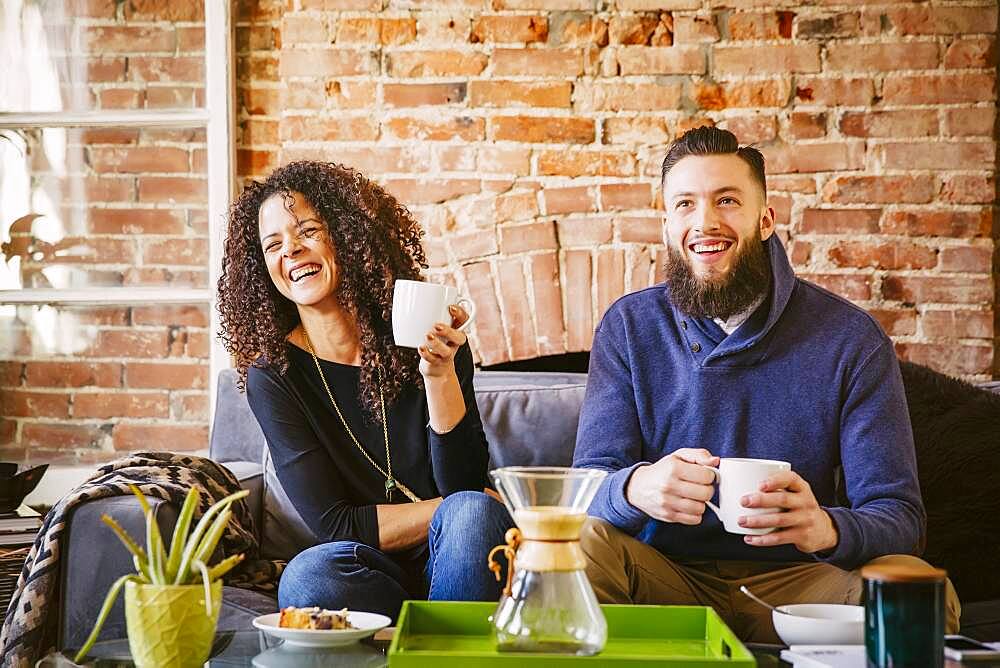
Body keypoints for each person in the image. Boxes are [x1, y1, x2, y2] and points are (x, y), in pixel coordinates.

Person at [572, 127, 960, 642]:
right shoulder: (628, 327)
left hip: (800, 583)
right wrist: (633, 487)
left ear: (765, 220)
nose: (704, 222)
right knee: (575, 542)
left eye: (726, 200)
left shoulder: (849, 338)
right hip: (661, 574)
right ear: (666, 224)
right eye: (684, 204)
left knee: (919, 589)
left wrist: (825, 527)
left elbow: (900, 516)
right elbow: (582, 490)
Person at [217, 160, 511, 620]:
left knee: (472, 516)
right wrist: (459, 506)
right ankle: (435, 634)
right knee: (307, 576)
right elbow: (335, 525)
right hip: (365, 571)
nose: (290, 250)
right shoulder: (273, 374)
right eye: (273, 244)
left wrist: (438, 376)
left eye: (307, 230)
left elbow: (463, 489)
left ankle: (434, 646)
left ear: (348, 235)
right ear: (262, 267)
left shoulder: (429, 338)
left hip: (458, 555)